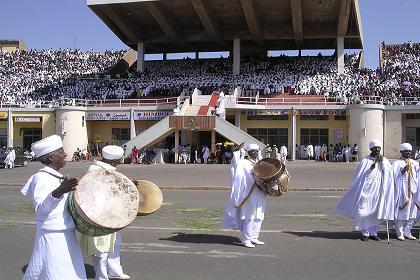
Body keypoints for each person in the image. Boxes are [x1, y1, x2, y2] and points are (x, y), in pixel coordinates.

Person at [21, 135, 86, 279]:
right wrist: (59, 191)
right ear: (51, 157)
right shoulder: (42, 178)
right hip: (52, 237)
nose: (65, 154)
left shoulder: (56, 177)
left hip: (64, 234)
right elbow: (41, 211)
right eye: (61, 151)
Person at [78, 145, 130, 280]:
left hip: (112, 214)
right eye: (118, 160)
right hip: (98, 216)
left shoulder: (109, 169)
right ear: (112, 161)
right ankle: (101, 276)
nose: (119, 163)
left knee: (115, 243)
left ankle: (114, 271)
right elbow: (91, 193)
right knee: (100, 247)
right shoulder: (95, 170)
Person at [334, 139, 394, 241]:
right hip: (366, 191)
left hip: (377, 191)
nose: (378, 150)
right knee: (363, 212)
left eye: (379, 148)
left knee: (375, 213)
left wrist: (382, 162)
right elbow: (360, 176)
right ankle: (365, 233)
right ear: (371, 149)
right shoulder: (365, 161)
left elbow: (388, 174)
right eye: (375, 148)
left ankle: (373, 233)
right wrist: (371, 168)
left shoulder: (384, 160)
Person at [221, 143, 267, 248]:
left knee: (259, 215)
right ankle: (246, 239)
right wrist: (237, 151)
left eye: (257, 151)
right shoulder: (243, 163)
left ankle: (254, 237)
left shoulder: (261, 163)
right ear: (249, 153)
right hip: (249, 193)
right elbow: (234, 163)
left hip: (260, 192)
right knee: (249, 216)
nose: (255, 153)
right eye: (253, 151)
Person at [392, 143, 419, 241]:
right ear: (401, 152)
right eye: (405, 151)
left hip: (413, 191)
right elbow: (393, 178)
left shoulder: (414, 163)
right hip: (402, 192)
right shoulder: (397, 163)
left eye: (409, 151)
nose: (408, 153)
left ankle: (408, 231)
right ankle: (400, 233)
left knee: (412, 213)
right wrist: (402, 172)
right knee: (402, 212)